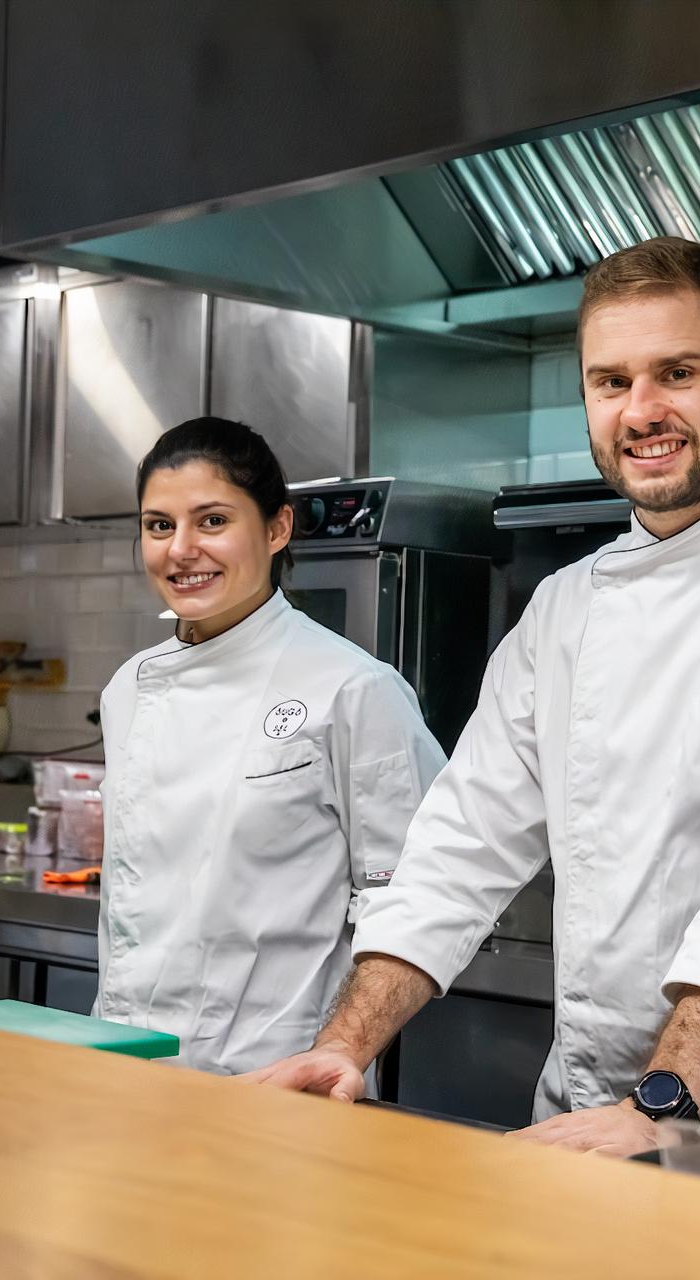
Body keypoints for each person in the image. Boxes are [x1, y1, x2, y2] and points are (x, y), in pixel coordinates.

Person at [244, 238, 700, 1155]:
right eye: (611, 383)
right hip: (584, 1115)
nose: (641, 411)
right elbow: (460, 844)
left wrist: (661, 1106)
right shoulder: (565, 606)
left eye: (677, 373)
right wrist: (343, 1046)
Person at [95, 416, 447, 1075]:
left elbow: (419, 892)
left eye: (213, 521)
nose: (181, 550)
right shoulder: (129, 689)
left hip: (275, 1076)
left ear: (277, 528)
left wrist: (342, 1048)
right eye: (159, 526)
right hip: (123, 1057)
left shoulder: (353, 688)